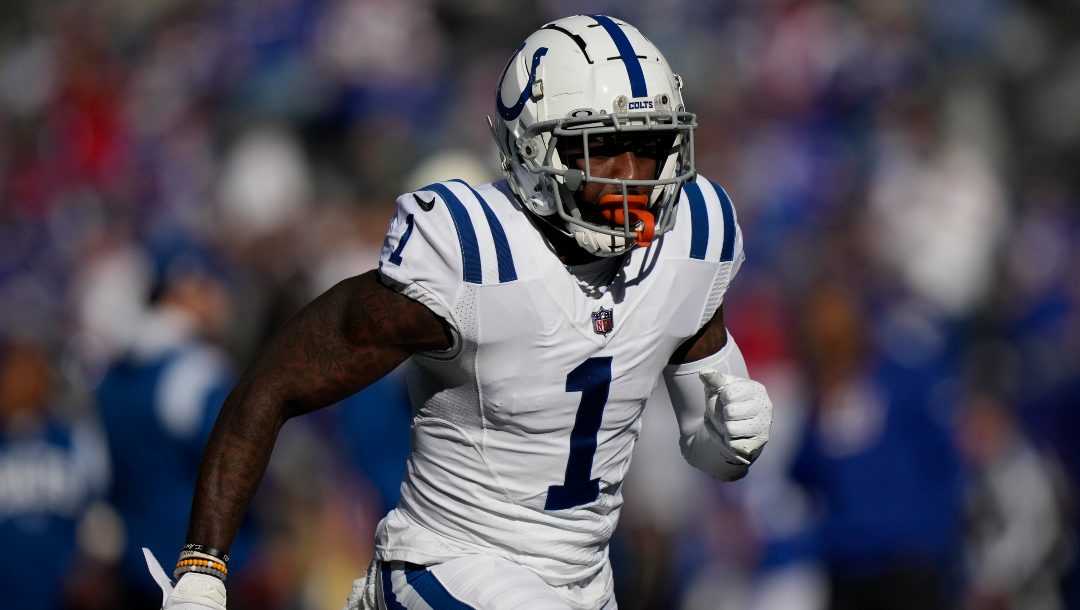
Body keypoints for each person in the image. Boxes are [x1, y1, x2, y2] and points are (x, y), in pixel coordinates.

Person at [150, 15, 773, 610]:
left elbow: (707, 448)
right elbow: (274, 383)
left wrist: (730, 437)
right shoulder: (475, 256)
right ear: (534, 152)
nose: (634, 178)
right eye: (604, 149)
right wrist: (203, 570)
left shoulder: (691, 240)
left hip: (585, 581)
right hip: (450, 564)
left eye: (650, 146)